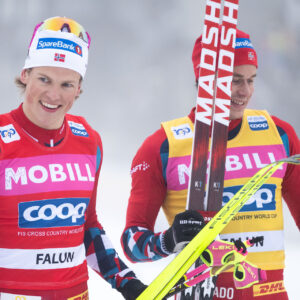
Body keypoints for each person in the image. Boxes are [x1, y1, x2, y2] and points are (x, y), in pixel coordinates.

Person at [121, 28, 300, 299]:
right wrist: (169, 240)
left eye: (252, 80)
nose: (246, 92)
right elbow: (132, 243)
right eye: (235, 81)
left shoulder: (279, 135)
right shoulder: (163, 146)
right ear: (205, 80)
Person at [0, 16, 146, 300]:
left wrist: (125, 281)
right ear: (25, 75)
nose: (54, 94)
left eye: (67, 84)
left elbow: (88, 226)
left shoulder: (88, 141)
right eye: (44, 79)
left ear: (79, 88)